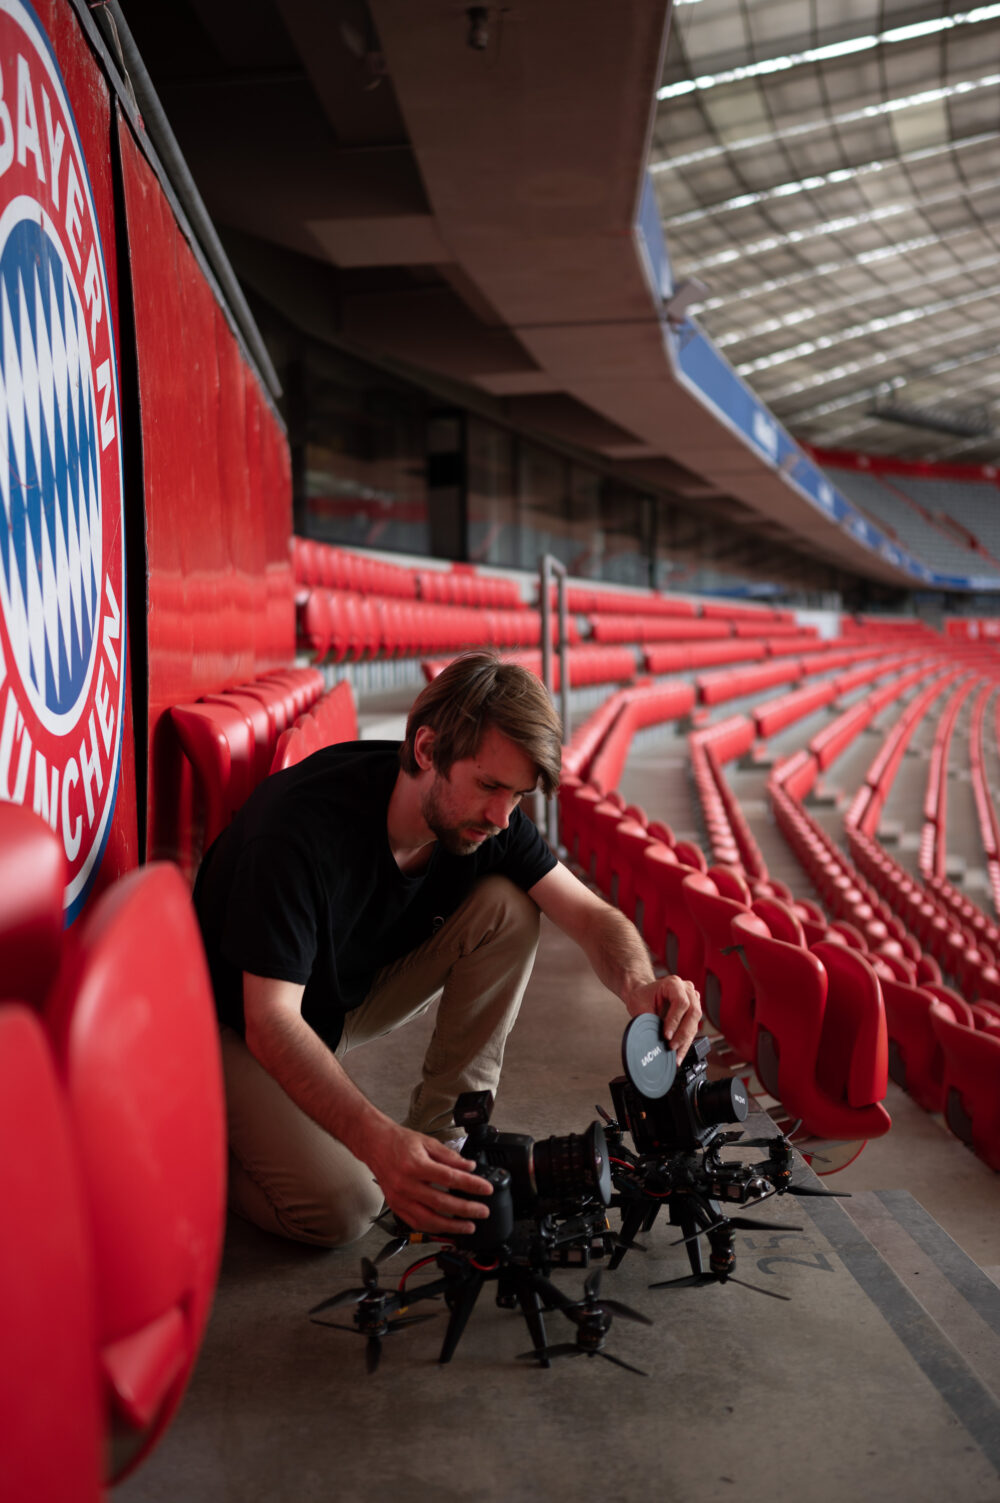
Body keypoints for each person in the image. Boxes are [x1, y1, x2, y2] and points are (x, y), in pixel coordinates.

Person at [193, 651, 701, 1249]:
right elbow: (271, 1021)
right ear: (427, 750)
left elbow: (589, 916)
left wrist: (639, 984)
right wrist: (379, 1143)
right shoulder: (298, 830)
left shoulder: (488, 817)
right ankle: (198, 1156)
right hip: (229, 1027)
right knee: (346, 1205)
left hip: (334, 1000)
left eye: (516, 797)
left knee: (510, 907)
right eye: (489, 786)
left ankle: (444, 1139)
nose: (500, 816)